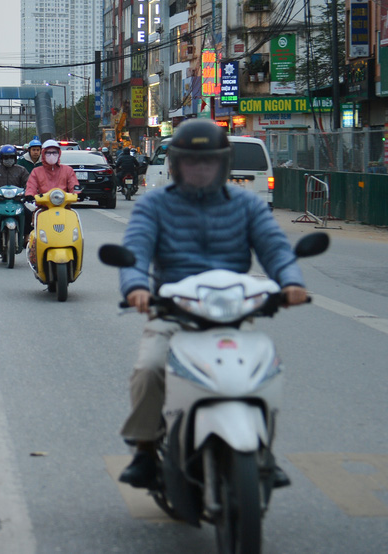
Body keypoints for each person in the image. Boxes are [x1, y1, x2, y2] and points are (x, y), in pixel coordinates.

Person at [115, 119, 307, 489]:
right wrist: (136, 286)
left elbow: (275, 248)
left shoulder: (247, 204)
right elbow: (136, 250)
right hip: (173, 311)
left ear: (223, 164)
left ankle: (262, 451)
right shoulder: (154, 204)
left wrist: (292, 282)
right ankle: (144, 448)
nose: (200, 169)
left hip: (233, 313)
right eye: (191, 162)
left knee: (265, 369)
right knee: (151, 368)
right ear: (175, 165)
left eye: (208, 162)